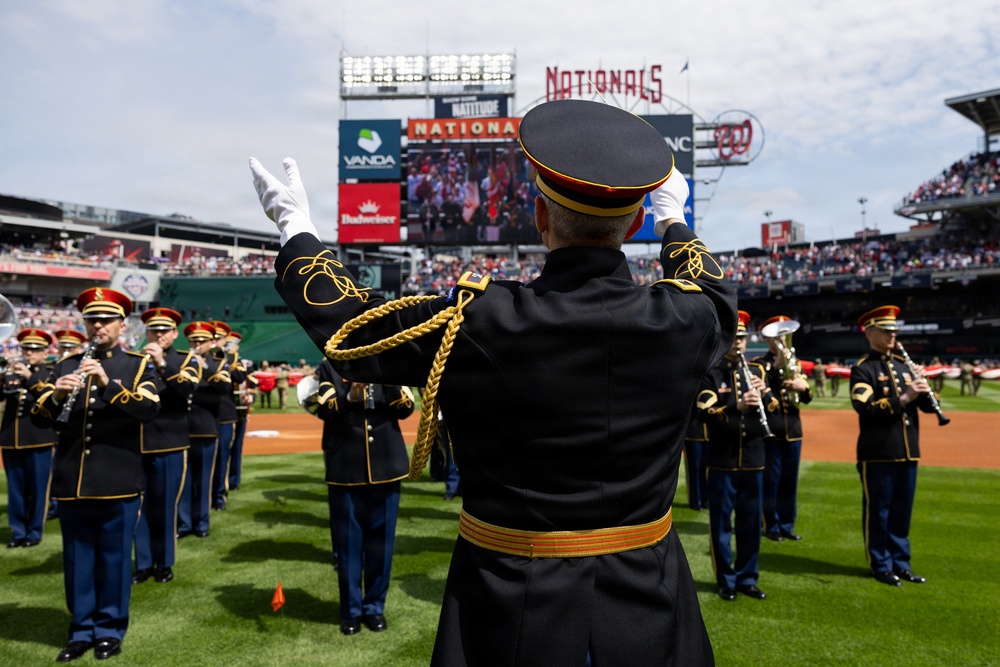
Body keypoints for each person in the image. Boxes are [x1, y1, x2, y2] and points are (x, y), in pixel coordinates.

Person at [251, 98, 737, 665]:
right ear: (634, 223)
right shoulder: (687, 320)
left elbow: (350, 332)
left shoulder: (479, 318)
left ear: (539, 216)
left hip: (509, 596)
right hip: (650, 596)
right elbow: (714, 292)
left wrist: (297, 229)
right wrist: (674, 220)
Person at [33, 287, 160, 662]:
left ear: (123, 325)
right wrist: (56, 395)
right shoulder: (64, 366)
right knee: (77, 560)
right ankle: (81, 629)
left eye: (106, 320)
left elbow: (149, 409)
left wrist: (108, 385)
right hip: (72, 480)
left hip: (117, 479)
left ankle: (108, 628)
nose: (98, 325)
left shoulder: (137, 366)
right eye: (92, 320)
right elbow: (40, 417)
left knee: (116, 558)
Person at [313, 359, 415, 635]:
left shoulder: (390, 363)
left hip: (386, 467)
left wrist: (389, 381)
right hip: (345, 467)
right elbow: (324, 409)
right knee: (348, 547)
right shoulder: (329, 367)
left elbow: (406, 408)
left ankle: (374, 608)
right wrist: (349, 396)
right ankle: (351, 611)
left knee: (381, 546)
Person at [850, 305, 935, 587]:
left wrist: (923, 389)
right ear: (870, 333)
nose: (892, 335)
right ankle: (880, 564)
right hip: (878, 454)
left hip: (908, 450)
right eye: (886, 331)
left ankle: (901, 563)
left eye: (894, 330)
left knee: (902, 512)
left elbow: (924, 407)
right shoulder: (863, 369)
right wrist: (906, 397)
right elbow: (865, 408)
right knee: (879, 512)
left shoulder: (902, 365)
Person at [697, 311, 777, 602]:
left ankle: (747, 578)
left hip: (754, 460)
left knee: (750, 524)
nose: (739, 343)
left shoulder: (757, 373)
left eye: (743, 337)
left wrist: (765, 395)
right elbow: (707, 415)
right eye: (734, 337)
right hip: (723, 461)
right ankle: (726, 580)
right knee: (721, 525)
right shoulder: (710, 374)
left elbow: (776, 411)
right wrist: (737, 406)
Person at [132, 308, 199, 585]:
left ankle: (165, 563)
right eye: (153, 330)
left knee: (166, 507)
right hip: (137, 443)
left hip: (170, 443)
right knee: (140, 508)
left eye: (164, 330)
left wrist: (161, 364)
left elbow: (188, 387)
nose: (158, 334)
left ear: (174, 334)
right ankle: (144, 562)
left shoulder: (186, 359)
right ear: (146, 333)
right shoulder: (134, 361)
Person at [755, 315, 812, 542]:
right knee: (771, 482)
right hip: (773, 431)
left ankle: (787, 524)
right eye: (777, 336)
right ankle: (771, 525)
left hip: (794, 431)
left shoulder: (795, 363)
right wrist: (772, 368)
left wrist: (802, 387)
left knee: (789, 482)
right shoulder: (760, 363)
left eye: (784, 335)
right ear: (768, 339)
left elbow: (807, 397)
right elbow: (758, 388)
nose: (782, 339)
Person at [2, 328, 57, 548]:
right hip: (11, 438)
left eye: (35, 350)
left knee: (38, 489)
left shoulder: (50, 373)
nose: (29, 354)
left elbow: (50, 397)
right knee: (15, 490)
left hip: (39, 438)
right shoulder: (10, 372)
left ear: (45, 353)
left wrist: (29, 377)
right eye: (26, 349)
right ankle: (18, 531)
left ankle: (34, 532)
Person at [177, 321, 227, 539]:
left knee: (203, 479)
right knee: (184, 480)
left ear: (211, 342)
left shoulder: (218, 363)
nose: (197, 344)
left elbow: (224, 387)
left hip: (206, 427)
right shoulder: (180, 362)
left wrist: (203, 367)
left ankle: (202, 522)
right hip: (182, 428)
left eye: (202, 341)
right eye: (193, 341)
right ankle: (184, 522)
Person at [209, 320, 246, 511]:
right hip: (204, 415)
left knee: (223, 456)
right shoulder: (199, 357)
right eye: (212, 337)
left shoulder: (233, 358)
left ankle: (219, 496)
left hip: (225, 413)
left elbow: (241, 377)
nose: (215, 341)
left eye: (219, 338)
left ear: (225, 340)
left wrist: (227, 360)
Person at [227, 330, 257, 491]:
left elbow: (253, 384)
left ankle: (233, 480)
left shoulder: (246, 364)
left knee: (236, 446)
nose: (228, 347)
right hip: (224, 408)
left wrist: (251, 397)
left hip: (240, 408)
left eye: (231, 344)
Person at [683, 399, 710, 511]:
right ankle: (695, 500)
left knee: (706, 467)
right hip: (693, 431)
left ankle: (705, 498)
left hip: (709, 431)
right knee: (694, 467)